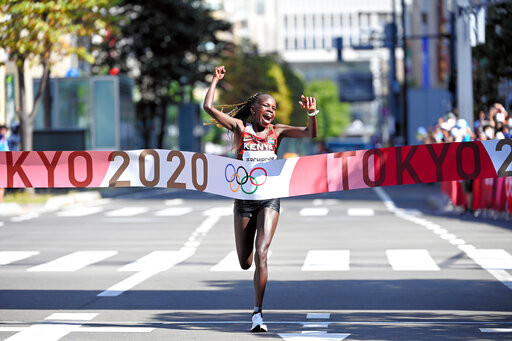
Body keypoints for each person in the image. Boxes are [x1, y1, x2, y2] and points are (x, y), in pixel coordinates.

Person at [203, 65, 318, 333]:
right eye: (266, 106)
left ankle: (257, 314)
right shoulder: (240, 128)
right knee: (246, 262)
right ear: (254, 109)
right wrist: (214, 81)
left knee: (263, 253)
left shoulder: (277, 132)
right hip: (243, 200)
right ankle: (251, 274)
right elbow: (208, 107)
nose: (271, 111)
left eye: (274, 108)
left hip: (269, 199)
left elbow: (310, 133)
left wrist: (312, 114)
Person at [0, 125, 9, 202]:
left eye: (5, 130)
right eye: (2, 130)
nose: (4, 132)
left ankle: (1, 201)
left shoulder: (5, 141)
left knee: (2, 183)